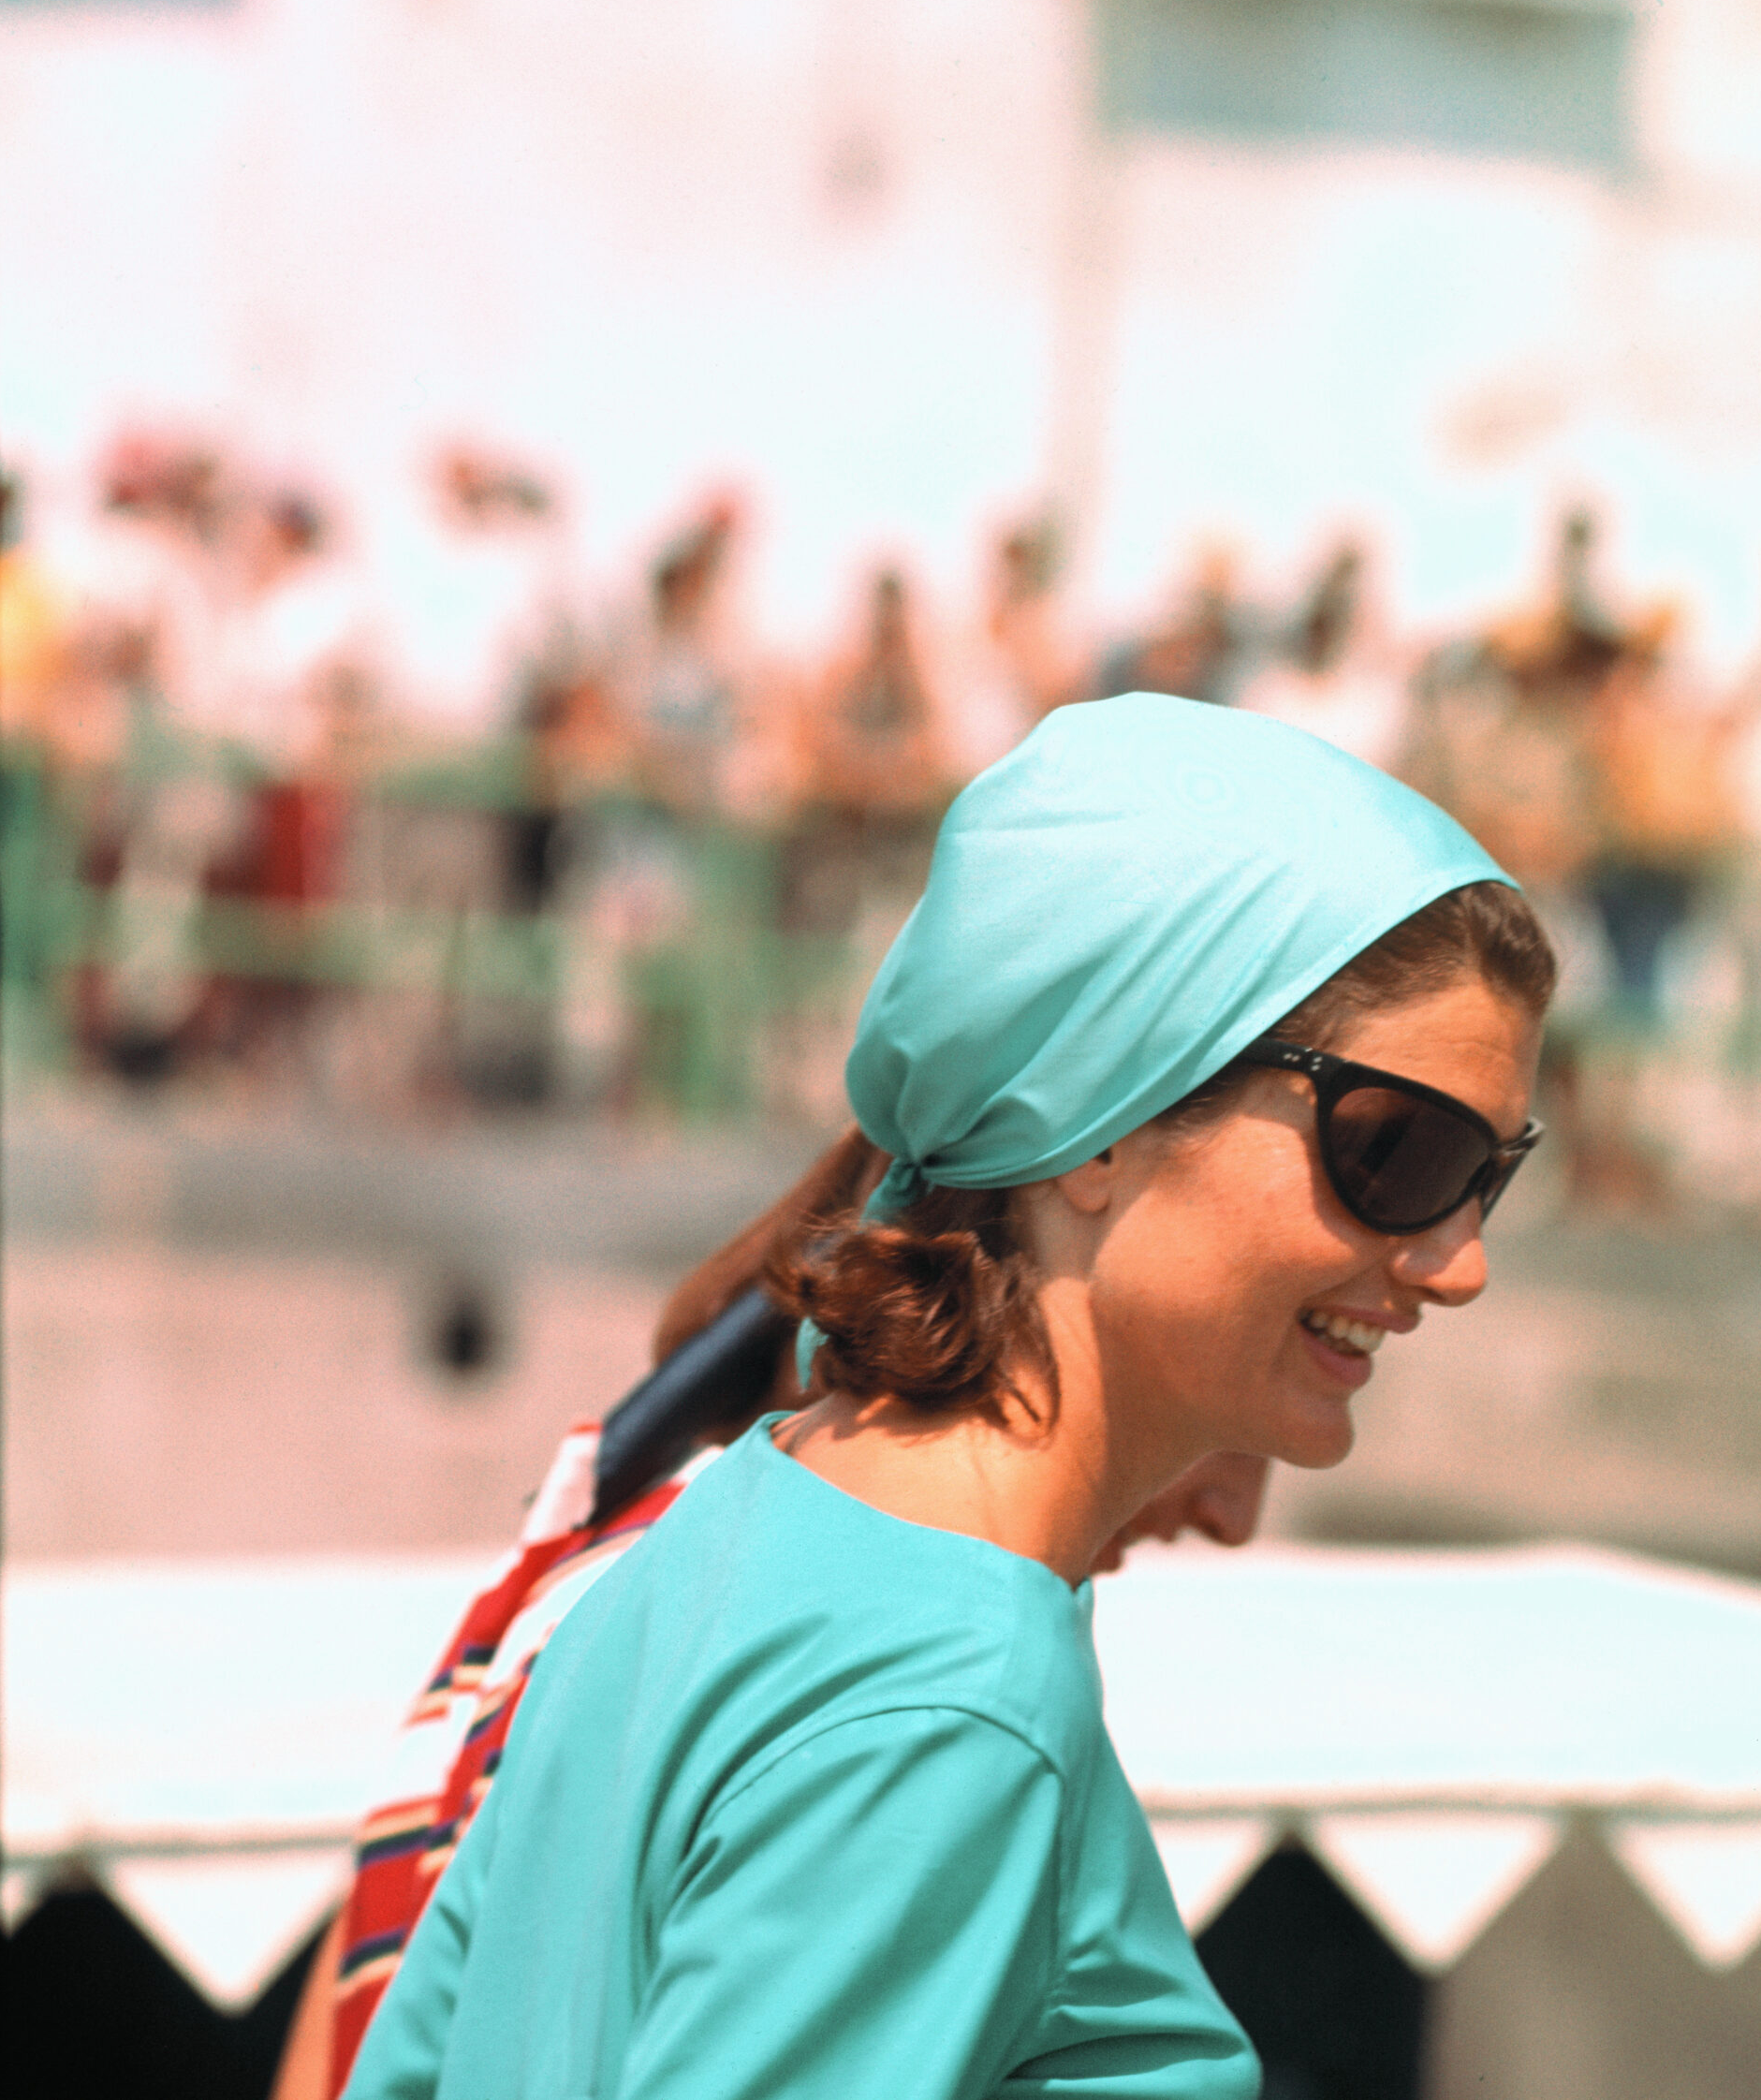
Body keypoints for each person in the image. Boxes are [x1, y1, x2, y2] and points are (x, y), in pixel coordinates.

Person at [343, 692, 1552, 2100]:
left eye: (1490, 1171)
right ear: (1105, 1124)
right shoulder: (956, 1697)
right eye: (1399, 1150)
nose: (1459, 1262)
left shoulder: (721, 1528)